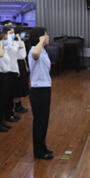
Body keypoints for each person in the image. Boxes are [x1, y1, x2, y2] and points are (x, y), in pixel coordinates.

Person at [28, 27, 53, 160]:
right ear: (40, 38)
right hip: (38, 90)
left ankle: (42, 147)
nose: (48, 37)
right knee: (39, 122)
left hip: (45, 88)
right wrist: (41, 41)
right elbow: (35, 55)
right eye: (45, 35)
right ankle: (39, 151)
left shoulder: (43, 50)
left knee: (44, 121)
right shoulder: (34, 50)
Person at [0, 30, 13, 132]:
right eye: (5, 39)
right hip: (0, 76)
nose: (6, 41)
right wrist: (0, 45)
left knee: (4, 99)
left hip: (6, 75)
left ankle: (1, 121)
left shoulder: (4, 49)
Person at [13, 26, 29, 114]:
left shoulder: (21, 41)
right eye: (22, 32)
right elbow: (20, 46)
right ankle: (17, 105)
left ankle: (20, 104)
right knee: (18, 85)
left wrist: (26, 65)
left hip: (22, 63)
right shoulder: (14, 42)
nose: (24, 34)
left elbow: (23, 55)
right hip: (17, 63)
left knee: (23, 84)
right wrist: (18, 37)